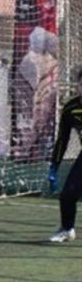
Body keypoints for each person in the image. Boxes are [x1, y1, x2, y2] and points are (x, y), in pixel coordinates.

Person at [47, 67, 82, 243]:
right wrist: (54, 166)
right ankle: (67, 229)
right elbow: (62, 139)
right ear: (78, 85)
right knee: (68, 194)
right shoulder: (70, 108)